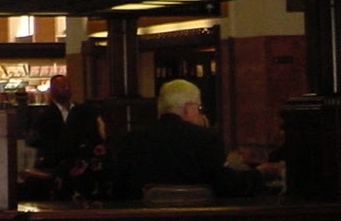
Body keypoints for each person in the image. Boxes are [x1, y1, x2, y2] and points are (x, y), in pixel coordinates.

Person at [105, 79, 266, 200]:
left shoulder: (132, 138)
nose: (200, 112)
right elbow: (226, 185)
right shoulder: (207, 138)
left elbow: (119, 188)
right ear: (188, 108)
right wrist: (259, 174)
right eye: (199, 107)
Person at [47, 101, 110, 201]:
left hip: (64, 209)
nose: (104, 125)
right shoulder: (95, 153)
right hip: (95, 210)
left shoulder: (67, 150)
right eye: (100, 120)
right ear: (93, 124)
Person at [26, 74, 73, 167]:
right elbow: (35, 139)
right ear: (52, 90)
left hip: (73, 159)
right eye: (62, 86)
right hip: (53, 161)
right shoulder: (44, 114)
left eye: (68, 86)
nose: (66, 89)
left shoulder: (77, 110)